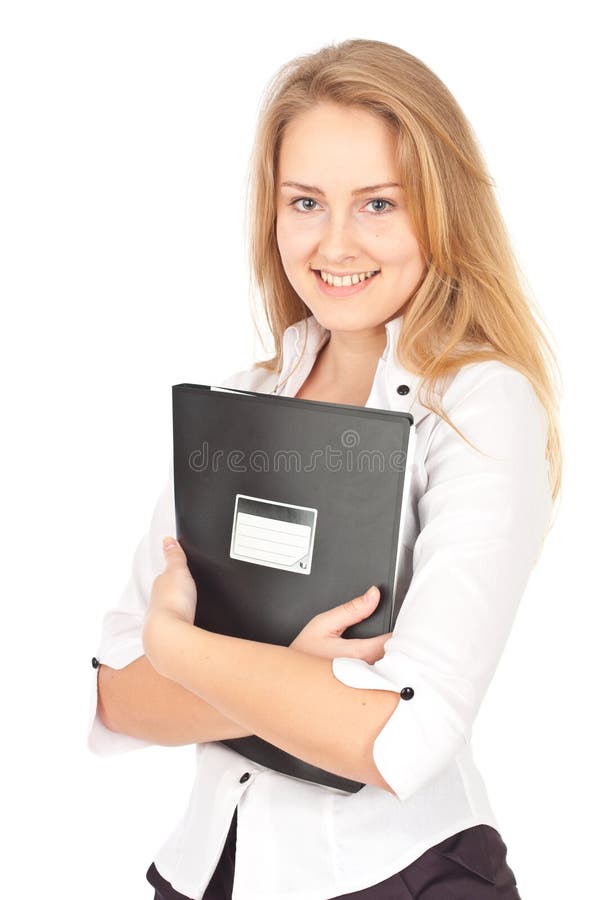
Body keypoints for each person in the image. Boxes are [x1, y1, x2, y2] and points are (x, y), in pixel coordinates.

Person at [88, 38, 562, 900]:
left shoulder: (482, 404)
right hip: (205, 873)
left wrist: (178, 648)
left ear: (441, 210)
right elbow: (116, 699)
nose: (333, 242)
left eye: (378, 203)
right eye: (305, 201)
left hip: (398, 876)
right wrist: (281, 675)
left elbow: (396, 739)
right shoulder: (239, 400)